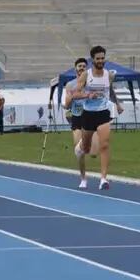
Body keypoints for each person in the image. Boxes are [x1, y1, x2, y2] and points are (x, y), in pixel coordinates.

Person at [73, 46, 124, 190]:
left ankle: (103, 179)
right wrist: (88, 95)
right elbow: (75, 94)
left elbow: (111, 91)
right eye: (98, 58)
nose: (101, 61)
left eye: (102, 58)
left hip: (103, 112)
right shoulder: (86, 75)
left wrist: (117, 105)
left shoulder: (108, 75)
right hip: (88, 114)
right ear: (93, 60)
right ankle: (81, 153)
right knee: (86, 148)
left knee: (105, 145)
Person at [63, 57, 99, 189]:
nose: (82, 68)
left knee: (94, 154)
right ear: (75, 69)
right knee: (79, 152)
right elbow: (67, 105)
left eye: (84, 66)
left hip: (91, 117)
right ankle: (83, 178)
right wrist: (69, 99)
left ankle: (94, 139)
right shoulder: (70, 85)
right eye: (79, 66)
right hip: (77, 118)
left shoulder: (92, 83)